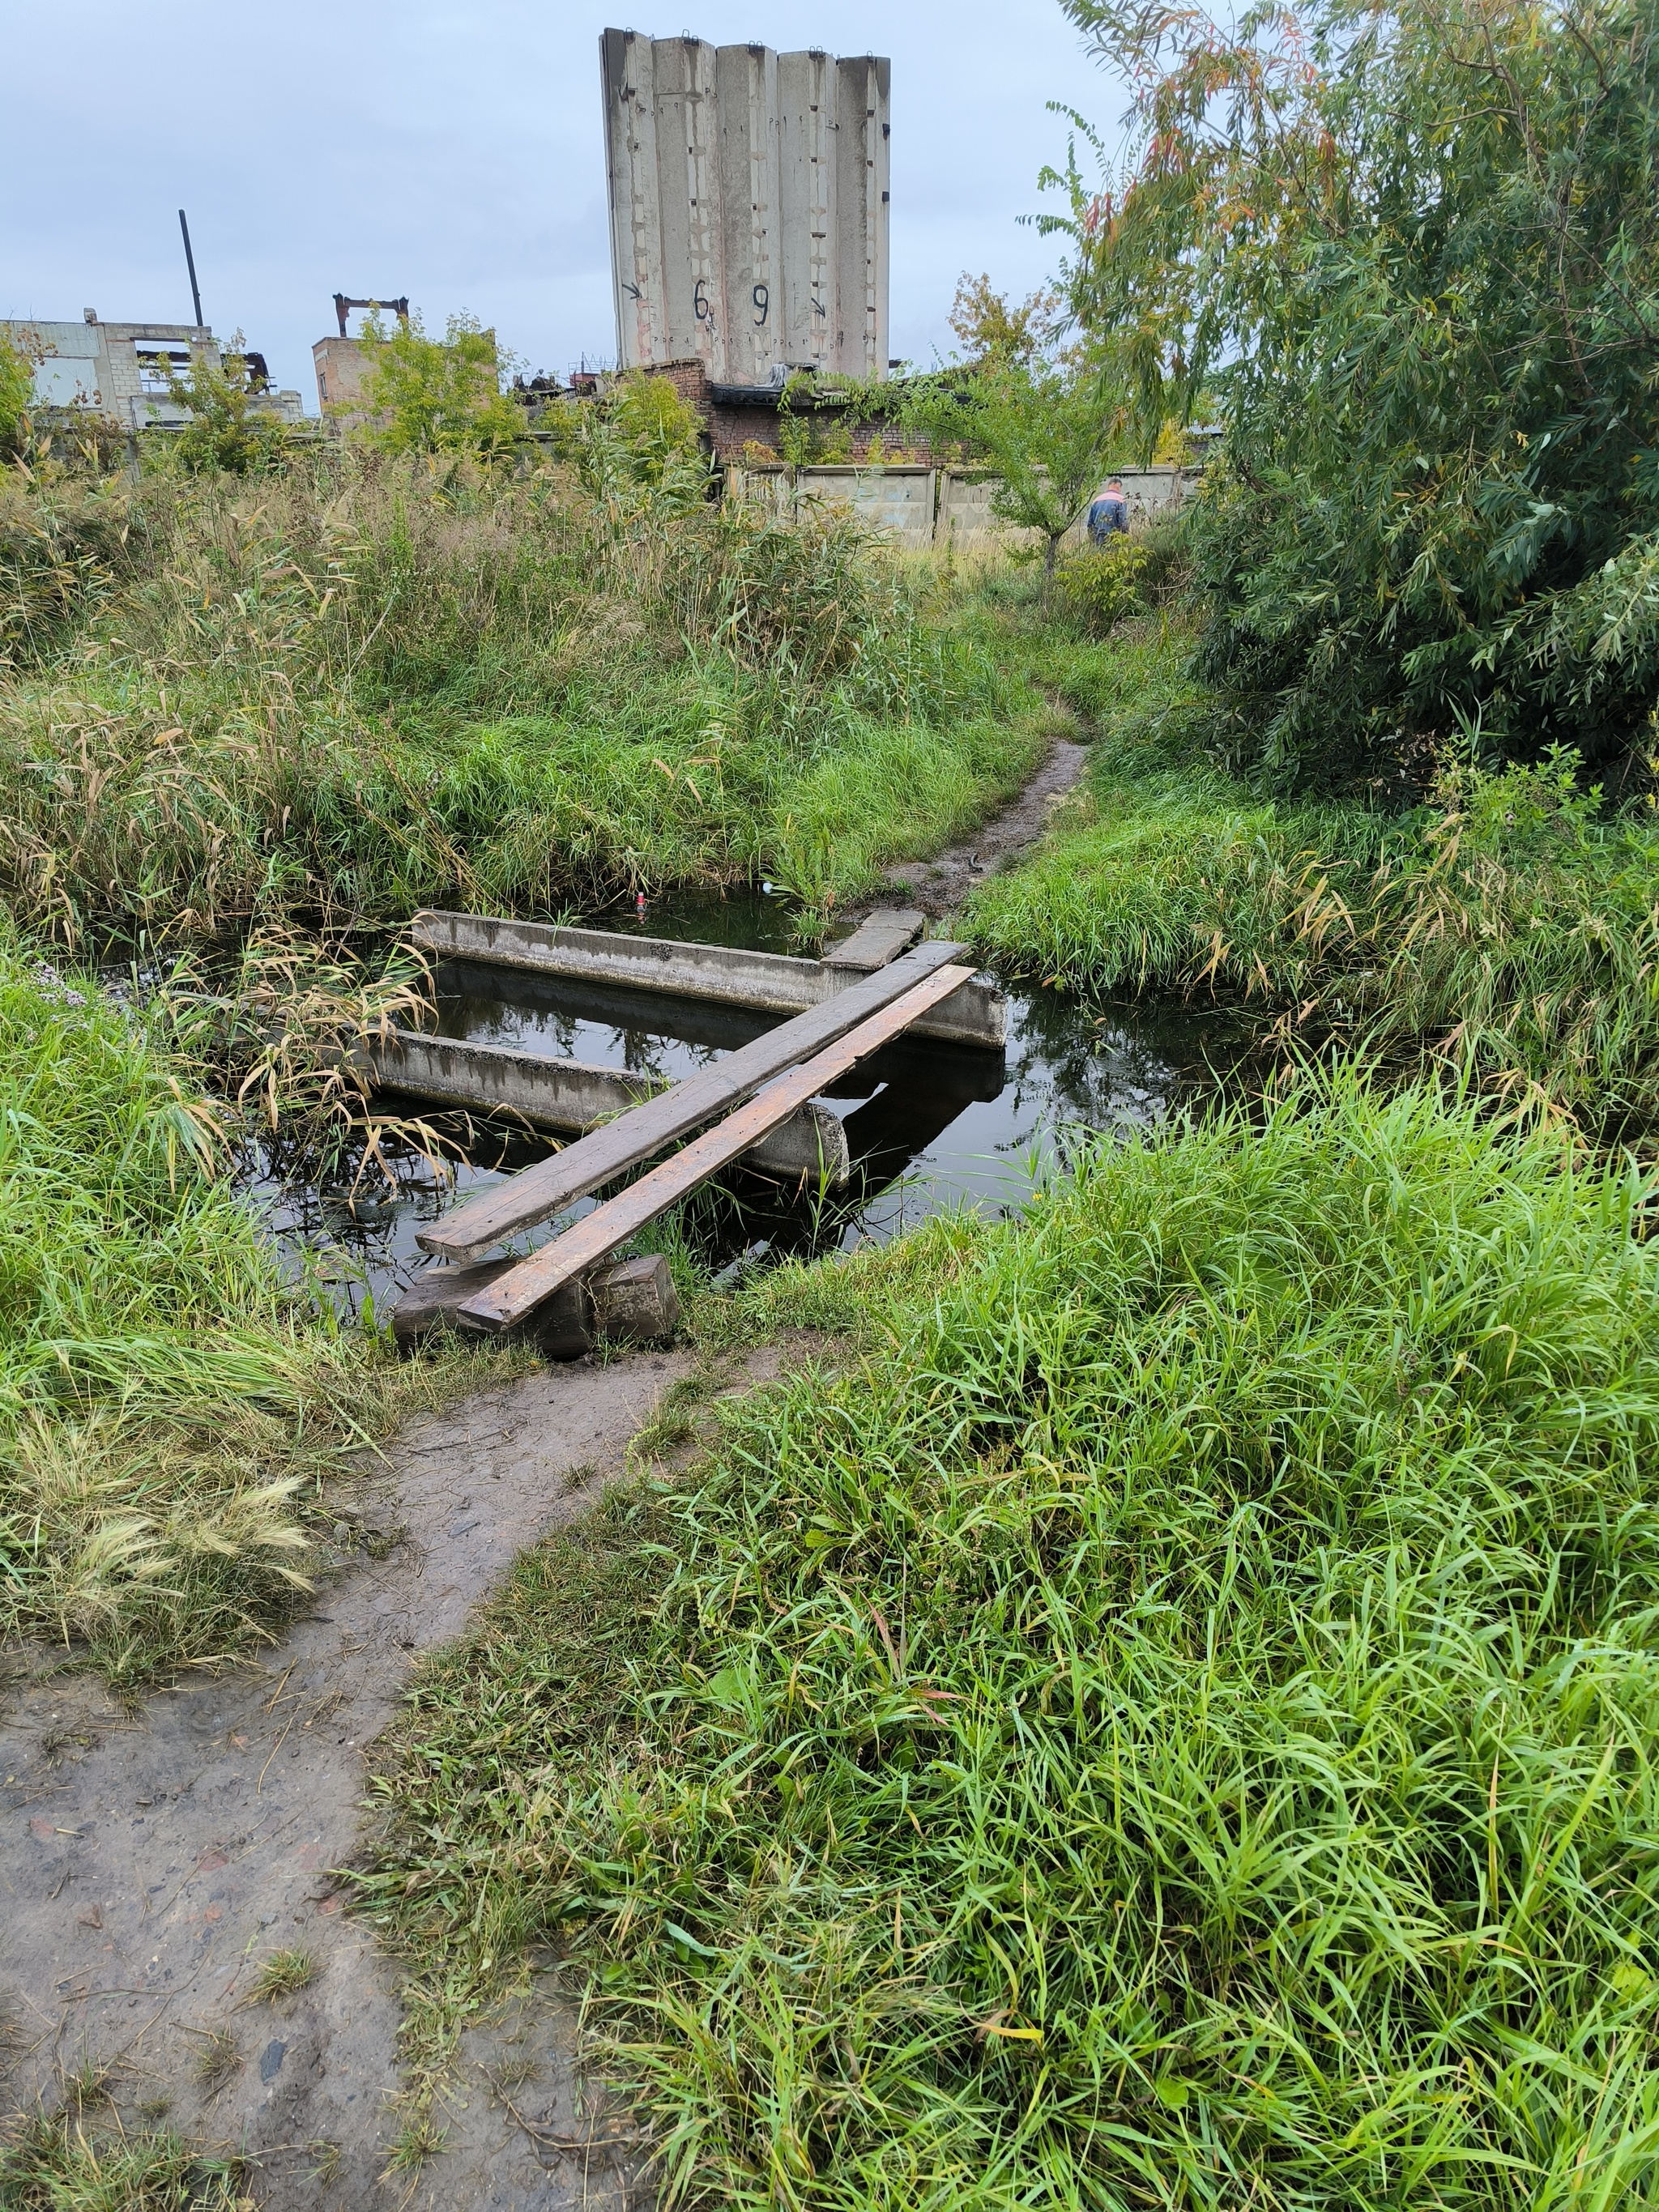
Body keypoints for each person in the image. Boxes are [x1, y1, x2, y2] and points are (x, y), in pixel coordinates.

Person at [1086, 477, 1129, 543]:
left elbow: (1090, 523)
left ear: (1108, 486)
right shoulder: (1121, 499)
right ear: (1119, 487)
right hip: (1113, 537)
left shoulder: (1096, 500)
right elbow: (1122, 522)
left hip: (1097, 536)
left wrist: (1092, 539)